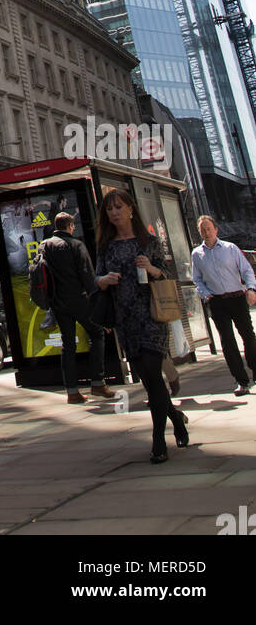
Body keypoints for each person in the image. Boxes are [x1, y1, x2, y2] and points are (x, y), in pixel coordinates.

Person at [95, 187, 188, 464]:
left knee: (151, 368)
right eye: (110, 209)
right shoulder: (106, 245)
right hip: (125, 318)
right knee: (149, 379)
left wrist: (152, 268)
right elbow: (96, 278)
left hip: (151, 314)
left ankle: (158, 440)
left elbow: (168, 274)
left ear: (131, 209)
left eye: (119, 207)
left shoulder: (148, 241)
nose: (114, 213)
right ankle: (176, 418)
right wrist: (104, 280)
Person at [41, 212, 114, 404]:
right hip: (79, 300)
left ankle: (72, 391)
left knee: (68, 344)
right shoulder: (76, 245)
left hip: (57, 302)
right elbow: (88, 277)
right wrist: (98, 305)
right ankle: (98, 382)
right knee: (97, 333)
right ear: (70, 226)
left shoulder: (45, 246)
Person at [191, 214, 256, 395]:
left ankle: (255, 369)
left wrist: (251, 289)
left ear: (216, 229)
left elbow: (246, 270)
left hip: (236, 297)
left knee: (248, 336)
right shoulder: (197, 254)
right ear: (199, 233)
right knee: (227, 342)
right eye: (202, 230)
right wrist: (206, 294)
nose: (206, 232)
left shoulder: (230, 248)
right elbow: (197, 279)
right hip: (217, 301)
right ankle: (241, 381)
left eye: (209, 229)